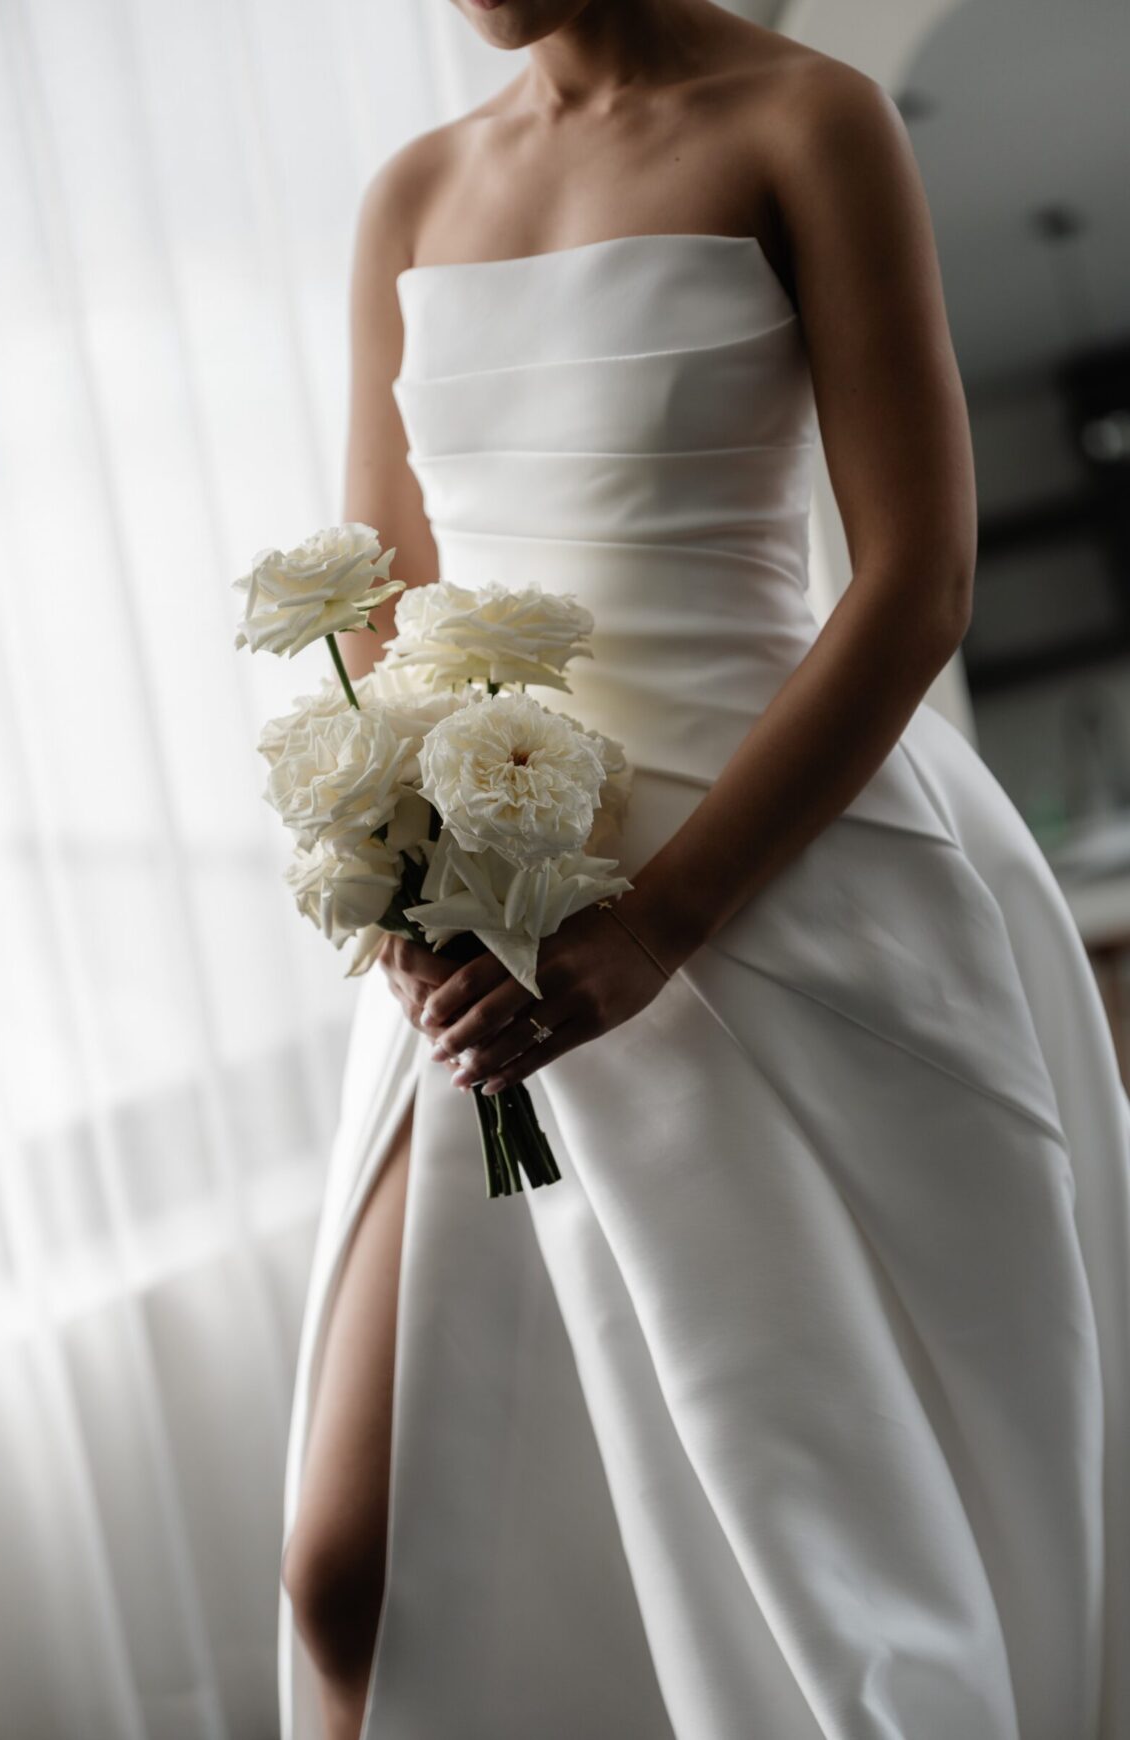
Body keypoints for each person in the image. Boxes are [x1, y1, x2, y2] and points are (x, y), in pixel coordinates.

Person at [277, 3, 1130, 1736]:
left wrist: (658, 928)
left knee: (823, 1554)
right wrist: (398, 879)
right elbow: (375, 599)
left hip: (772, 877)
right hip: (486, 902)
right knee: (344, 1572)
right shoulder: (415, 190)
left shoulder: (807, 119)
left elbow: (920, 580)